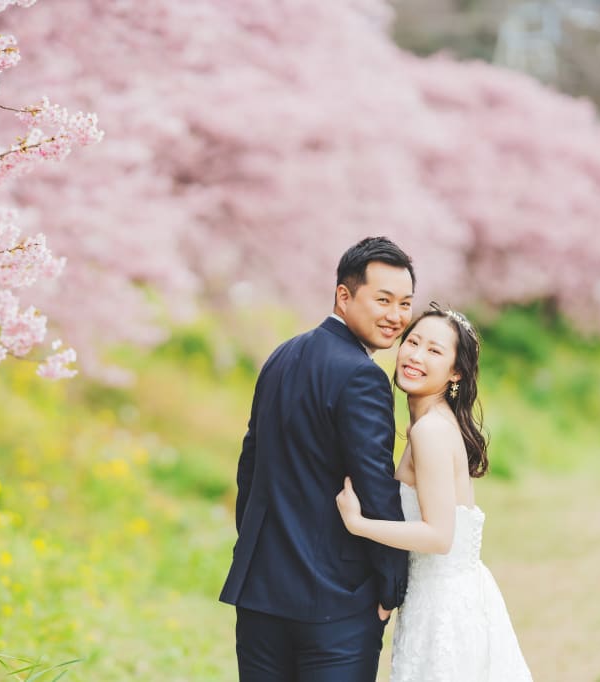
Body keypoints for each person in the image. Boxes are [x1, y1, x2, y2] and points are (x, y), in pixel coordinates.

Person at [220, 236, 415, 681]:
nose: (396, 317)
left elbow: (249, 468)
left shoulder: (281, 357)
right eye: (382, 300)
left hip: (260, 593)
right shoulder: (362, 376)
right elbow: (374, 487)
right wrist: (390, 585)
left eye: (405, 303)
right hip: (335, 602)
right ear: (343, 296)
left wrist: (255, 550)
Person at [335, 303, 533, 681]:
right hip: (440, 598)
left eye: (434, 350)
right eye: (413, 342)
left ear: (455, 371)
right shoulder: (427, 425)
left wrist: (358, 524)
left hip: (445, 609)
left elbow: (439, 536)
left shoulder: (431, 432)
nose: (415, 356)